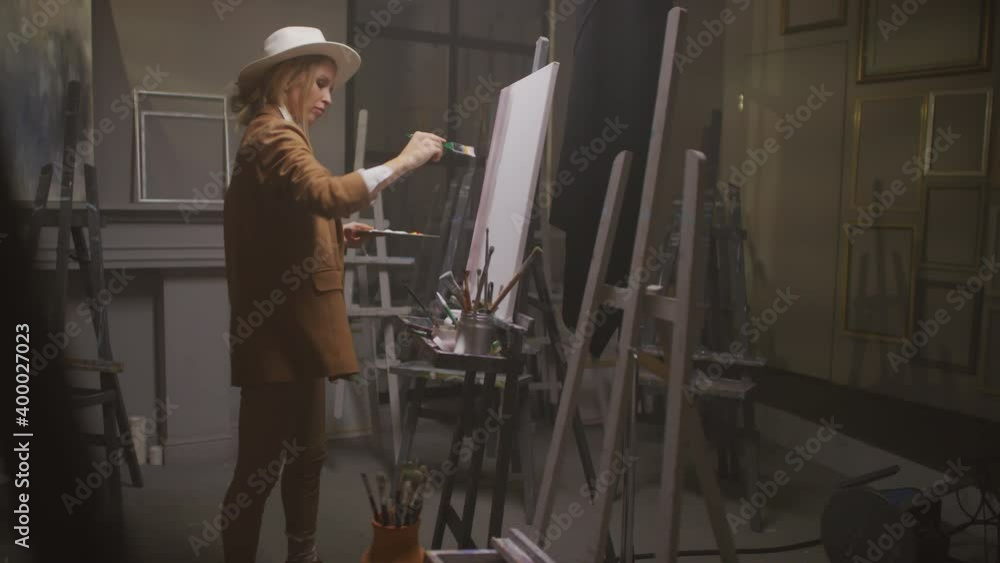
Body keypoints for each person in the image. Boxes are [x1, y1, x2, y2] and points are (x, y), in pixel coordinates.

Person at [221, 26, 444, 563]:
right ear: (289, 79)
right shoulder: (273, 135)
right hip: (277, 337)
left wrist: (334, 233)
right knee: (257, 473)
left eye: (331, 87)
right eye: (320, 83)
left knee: (308, 457)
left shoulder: (281, 132)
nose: (326, 97)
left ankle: (303, 555)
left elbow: (285, 218)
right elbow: (327, 193)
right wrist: (406, 159)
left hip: (297, 334)